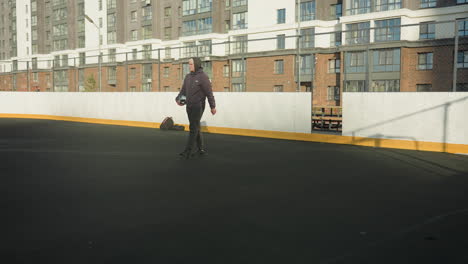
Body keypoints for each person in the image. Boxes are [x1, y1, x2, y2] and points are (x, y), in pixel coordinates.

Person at [175, 57, 216, 159]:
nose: (189, 66)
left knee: (193, 128)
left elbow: (209, 93)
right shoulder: (188, 77)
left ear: (196, 64)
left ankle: (187, 151)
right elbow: (183, 91)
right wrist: (178, 99)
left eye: (191, 64)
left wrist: (213, 106)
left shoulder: (203, 77)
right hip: (189, 106)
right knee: (196, 127)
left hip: (198, 106)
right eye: (188, 64)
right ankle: (200, 149)